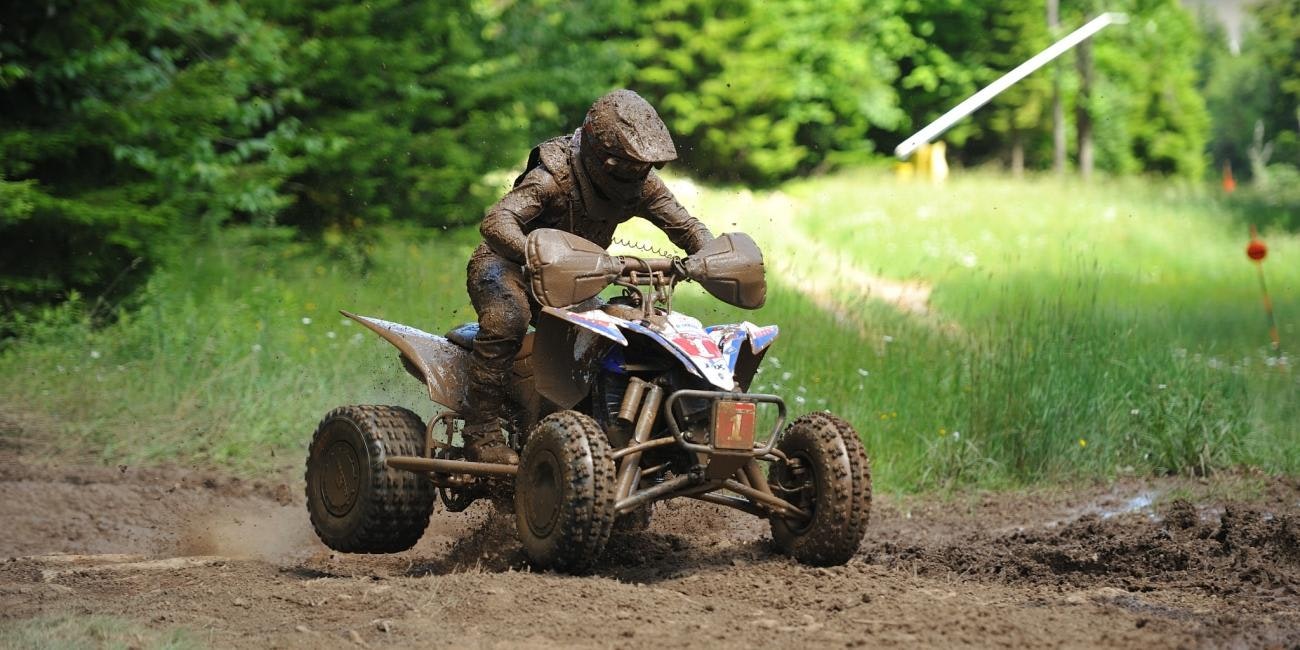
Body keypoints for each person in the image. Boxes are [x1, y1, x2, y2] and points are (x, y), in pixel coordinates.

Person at [463, 89, 714, 464]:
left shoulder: (642, 184)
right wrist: (535, 254)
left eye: (642, 166)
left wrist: (708, 258)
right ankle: (481, 431)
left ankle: (607, 431)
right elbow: (497, 221)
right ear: (603, 157)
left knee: (624, 335)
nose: (638, 174)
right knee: (507, 320)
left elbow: (686, 226)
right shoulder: (553, 177)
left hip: (575, 278)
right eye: (629, 165)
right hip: (508, 268)